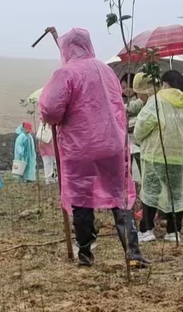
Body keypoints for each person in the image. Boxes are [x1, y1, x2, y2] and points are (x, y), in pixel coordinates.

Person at [39, 27, 143, 267]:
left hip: (81, 146)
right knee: (119, 194)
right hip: (113, 144)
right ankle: (132, 250)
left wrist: (53, 118)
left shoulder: (66, 73)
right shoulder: (106, 71)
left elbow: (51, 110)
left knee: (81, 195)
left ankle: (85, 251)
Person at [133, 71, 183, 243]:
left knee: (152, 192)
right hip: (181, 156)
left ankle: (146, 229)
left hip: (157, 155)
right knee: (176, 194)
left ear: (165, 84)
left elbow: (140, 129)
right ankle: (174, 232)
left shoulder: (157, 101)